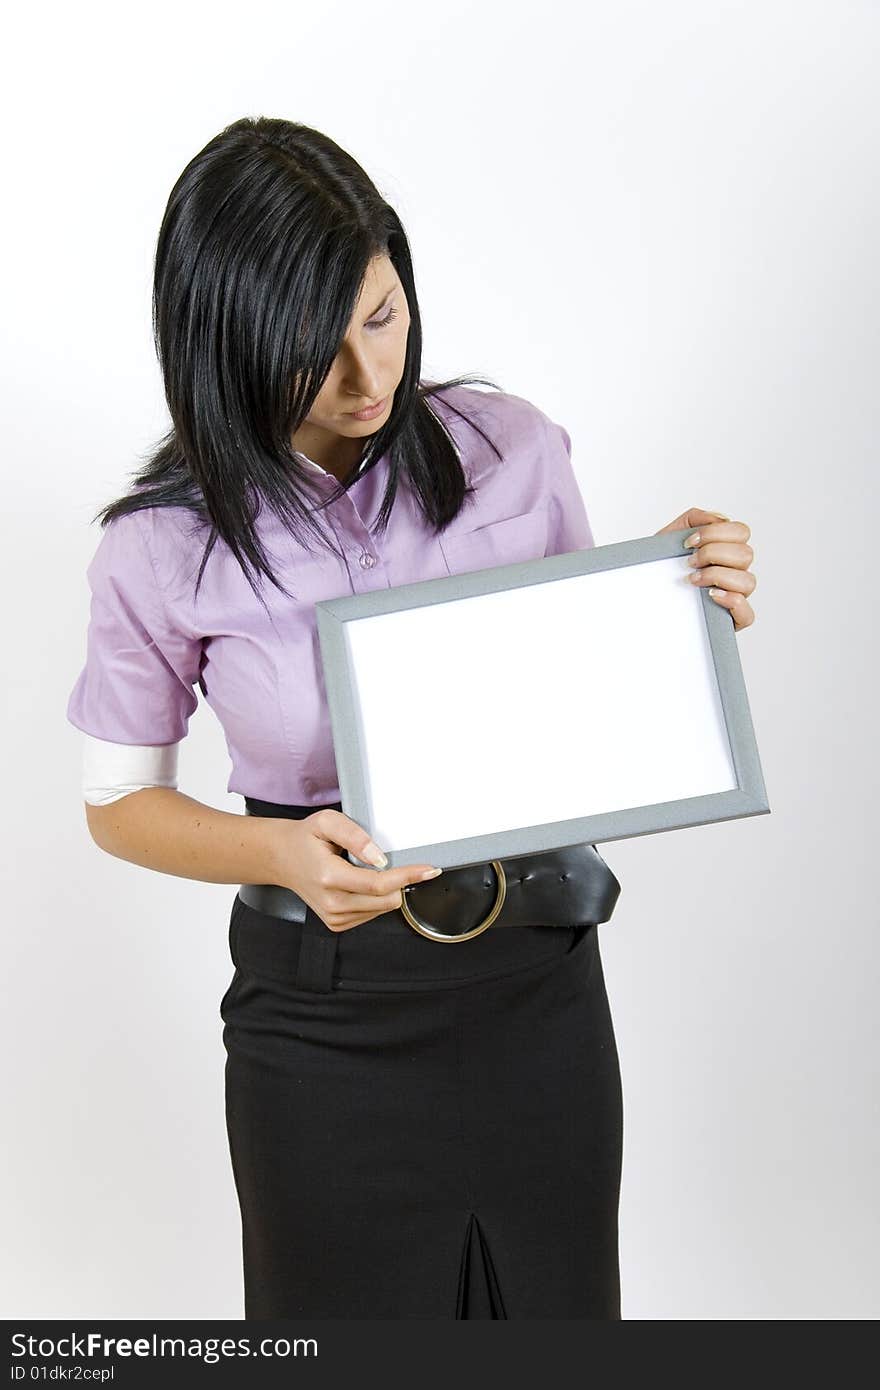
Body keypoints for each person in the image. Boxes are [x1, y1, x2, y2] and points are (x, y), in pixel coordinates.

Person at [66, 116, 758, 1320]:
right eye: (311, 346)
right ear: (224, 340)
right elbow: (118, 803)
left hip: (536, 994)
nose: (368, 378)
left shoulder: (515, 449)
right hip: (321, 1025)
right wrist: (276, 849)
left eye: (381, 316)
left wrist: (678, 600)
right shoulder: (158, 546)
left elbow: (579, 701)